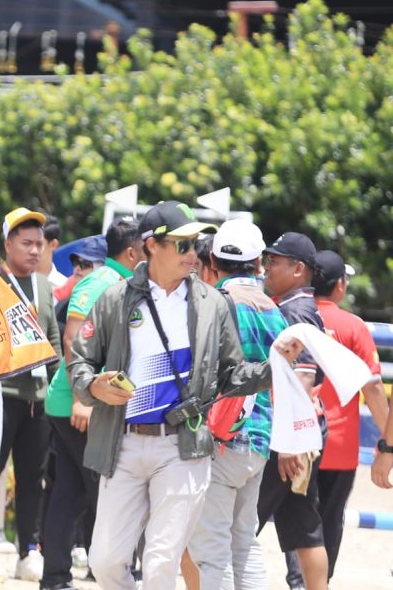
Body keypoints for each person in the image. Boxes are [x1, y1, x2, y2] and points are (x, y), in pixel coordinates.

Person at [69, 201, 298, 590]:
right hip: (120, 444)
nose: (194, 254)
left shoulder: (213, 303)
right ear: (150, 246)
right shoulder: (114, 299)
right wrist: (92, 387)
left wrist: (274, 367)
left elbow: (232, 375)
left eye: (196, 245)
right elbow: (79, 362)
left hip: (183, 447)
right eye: (182, 245)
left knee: (161, 564)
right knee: (105, 561)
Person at [41, 218, 141, 590]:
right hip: (78, 405)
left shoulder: (109, 282)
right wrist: (82, 401)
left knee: (71, 490)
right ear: (132, 252)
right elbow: (71, 341)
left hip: (75, 403)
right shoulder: (104, 284)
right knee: (104, 490)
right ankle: (109, 574)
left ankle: (55, 578)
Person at [186, 219, 287, 590]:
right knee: (244, 542)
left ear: (211, 258)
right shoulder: (274, 310)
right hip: (259, 437)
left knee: (212, 550)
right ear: (259, 262)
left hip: (220, 437)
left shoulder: (217, 303)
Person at [256, 232, 329, 590]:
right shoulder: (302, 306)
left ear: (298, 269)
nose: (267, 267)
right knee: (304, 527)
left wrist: (288, 441)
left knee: (240, 521)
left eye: (275, 261)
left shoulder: (294, 310)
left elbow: (301, 378)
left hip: (287, 437)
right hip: (303, 431)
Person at [310, 250, 388, 580]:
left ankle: (297, 581)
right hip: (338, 447)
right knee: (328, 524)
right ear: (340, 286)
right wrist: (388, 441)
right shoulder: (353, 327)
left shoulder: (290, 315)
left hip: (293, 441)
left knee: (294, 523)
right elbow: (372, 390)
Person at [0, 207, 61, 580]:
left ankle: (28, 550)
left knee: (33, 477)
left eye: (39, 244)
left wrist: (55, 388)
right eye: (26, 243)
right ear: (8, 245)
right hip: (1, 394)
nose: (35, 251)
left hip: (38, 398)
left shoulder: (45, 287)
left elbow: (53, 340)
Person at [41, 215, 68, 289]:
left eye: (38, 244)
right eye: (27, 243)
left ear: (53, 244)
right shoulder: (13, 284)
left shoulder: (65, 287)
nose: (32, 250)